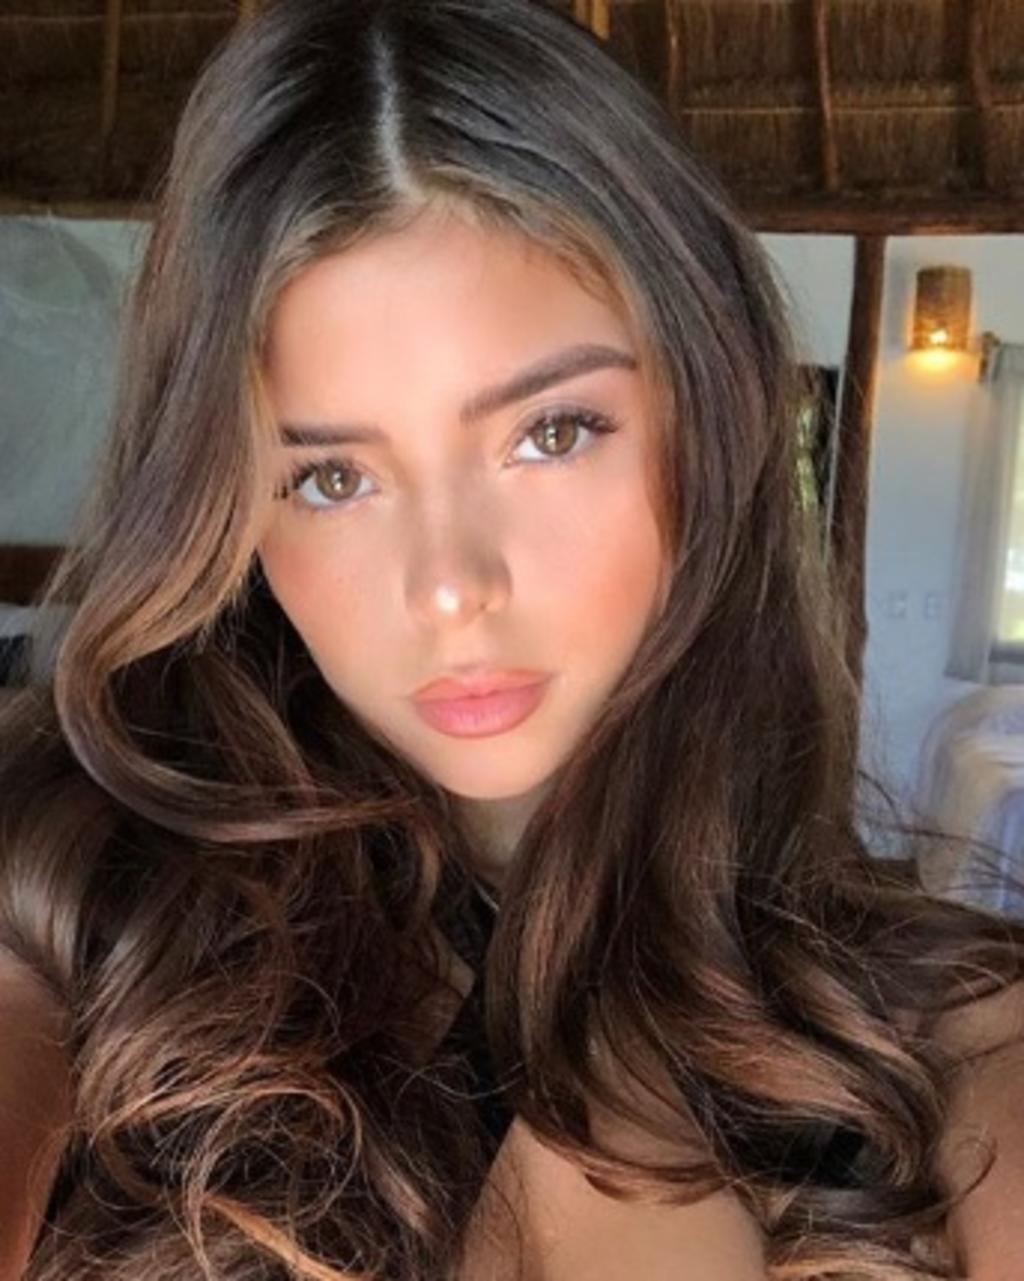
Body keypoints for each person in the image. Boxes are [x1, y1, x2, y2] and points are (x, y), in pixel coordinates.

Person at [1, 1, 1023, 1278]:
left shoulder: (942, 1025)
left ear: (708, 420)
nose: (448, 588)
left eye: (549, 433)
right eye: (329, 478)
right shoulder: (73, 912)